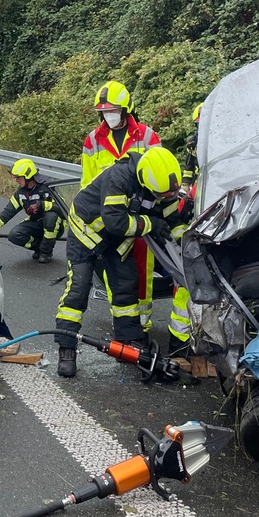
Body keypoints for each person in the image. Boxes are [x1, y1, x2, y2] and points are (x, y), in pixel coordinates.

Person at [55, 147, 186, 378]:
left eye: (168, 195)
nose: (165, 198)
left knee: (126, 286)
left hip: (117, 238)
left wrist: (185, 241)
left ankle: (129, 341)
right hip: (87, 233)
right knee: (78, 290)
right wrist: (151, 224)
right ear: (145, 181)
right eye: (162, 195)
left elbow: (172, 218)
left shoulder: (161, 187)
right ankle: (67, 348)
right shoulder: (119, 178)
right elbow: (115, 221)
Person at [81, 79, 162, 332]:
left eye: (113, 111)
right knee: (113, 274)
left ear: (126, 109)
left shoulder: (148, 136)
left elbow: (158, 175)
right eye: (104, 112)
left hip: (140, 217)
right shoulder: (92, 141)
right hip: (108, 220)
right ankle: (123, 323)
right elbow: (87, 182)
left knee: (141, 274)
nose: (109, 116)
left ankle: (143, 325)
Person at [167, 102, 204, 358]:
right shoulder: (195, 142)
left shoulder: (226, 141)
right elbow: (189, 170)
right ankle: (180, 348)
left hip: (216, 206)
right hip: (197, 209)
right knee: (188, 281)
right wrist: (185, 190)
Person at [0, 158, 66, 264]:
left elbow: (63, 210)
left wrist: (41, 205)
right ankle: (39, 247)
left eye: (18, 177)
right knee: (14, 235)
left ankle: (46, 252)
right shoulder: (20, 193)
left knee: (51, 217)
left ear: (28, 176)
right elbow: (7, 212)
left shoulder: (48, 187)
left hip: (56, 225)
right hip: (36, 223)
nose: (16, 180)